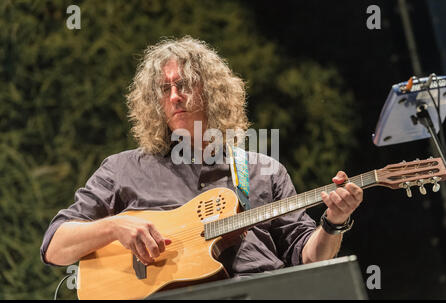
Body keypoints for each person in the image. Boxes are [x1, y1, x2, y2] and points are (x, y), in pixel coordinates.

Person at [41, 36, 363, 280]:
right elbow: (56, 246)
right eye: (163, 90)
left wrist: (333, 222)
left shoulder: (263, 170)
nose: (174, 97)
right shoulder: (122, 170)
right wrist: (115, 225)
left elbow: (309, 260)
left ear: (213, 93)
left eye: (184, 86)